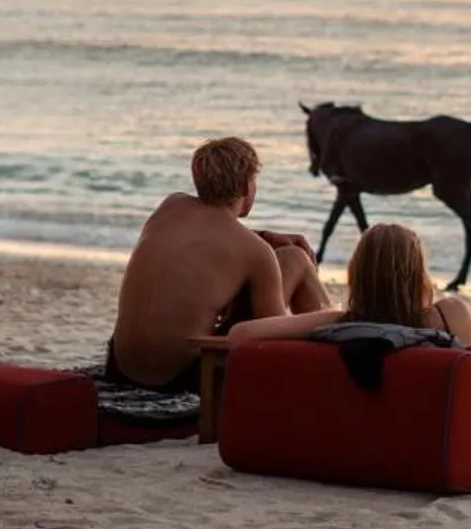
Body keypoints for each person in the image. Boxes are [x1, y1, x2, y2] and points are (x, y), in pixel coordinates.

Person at [228, 222, 471, 430]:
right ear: (418, 272)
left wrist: (313, 330)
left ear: (358, 274)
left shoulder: (339, 321)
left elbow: (240, 335)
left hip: (434, 405)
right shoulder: (448, 312)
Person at [108, 136, 330, 391]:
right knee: (296, 258)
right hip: (181, 377)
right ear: (247, 188)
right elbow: (271, 340)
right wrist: (328, 318)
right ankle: (335, 352)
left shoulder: (170, 207)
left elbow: (208, 235)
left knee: (287, 256)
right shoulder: (255, 252)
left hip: (121, 367)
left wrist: (267, 235)